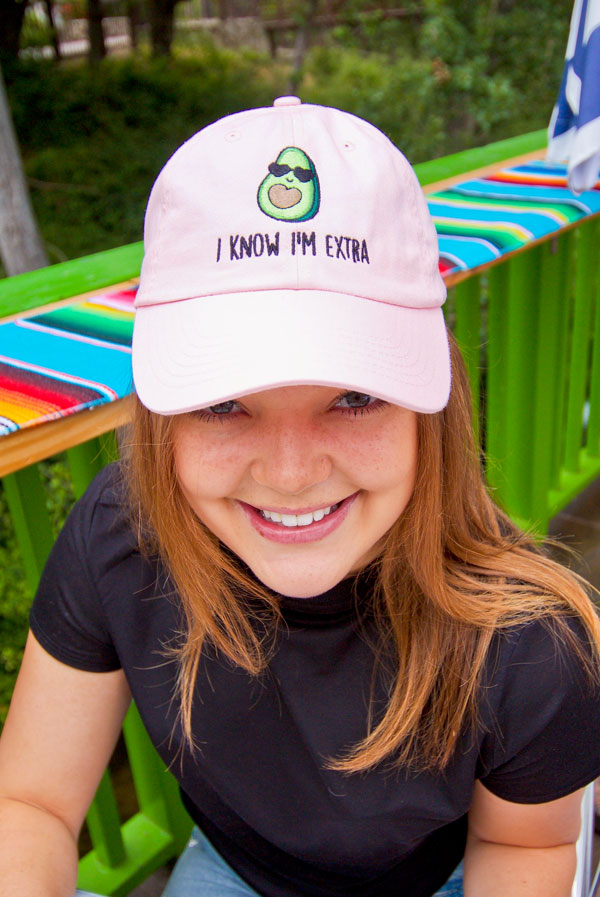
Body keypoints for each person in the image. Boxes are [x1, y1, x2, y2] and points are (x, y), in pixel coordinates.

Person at [0, 97, 599, 897]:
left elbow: (525, 847)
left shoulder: (532, 646)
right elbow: (31, 798)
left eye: (353, 395)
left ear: (435, 403)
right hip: (233, 868)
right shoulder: (120, 533)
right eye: (222, 401)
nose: (288, 473)